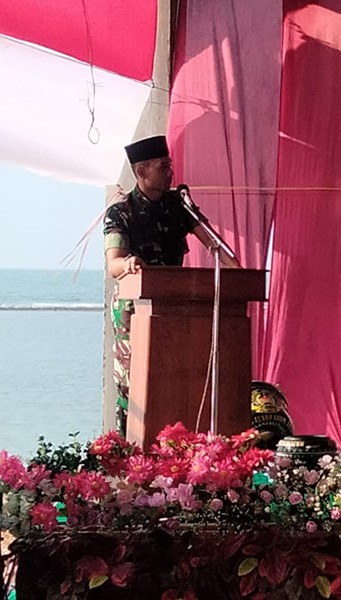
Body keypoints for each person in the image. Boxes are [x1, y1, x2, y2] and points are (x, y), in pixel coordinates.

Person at [103, 135, 241, 433]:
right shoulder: (122, 211)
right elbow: (113, 264)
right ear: (141, 171)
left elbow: (213, 245)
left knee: (175, 379)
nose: (171, 173)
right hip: (134, 310)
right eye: (163, 167)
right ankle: (128, 447)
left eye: (170, 165)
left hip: (176, 308)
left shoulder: (178, 206)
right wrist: (128, 264)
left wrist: (238, 272)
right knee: (134, 384)